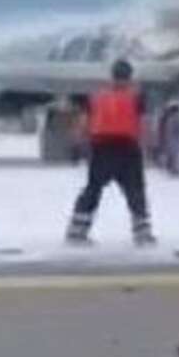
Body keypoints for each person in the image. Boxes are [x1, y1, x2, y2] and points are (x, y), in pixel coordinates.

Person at [65, 59, 155, 248]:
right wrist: (149, 145)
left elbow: (84, 120)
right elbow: (144, 123)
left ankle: (77, 230)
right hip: (127, 147)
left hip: (102, 147)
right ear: (130, 77)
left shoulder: (97, 96)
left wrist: (78, 142)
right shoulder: (137, 97)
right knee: (135, 190)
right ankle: (142, 233)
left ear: (112, 76)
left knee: (93, 188)